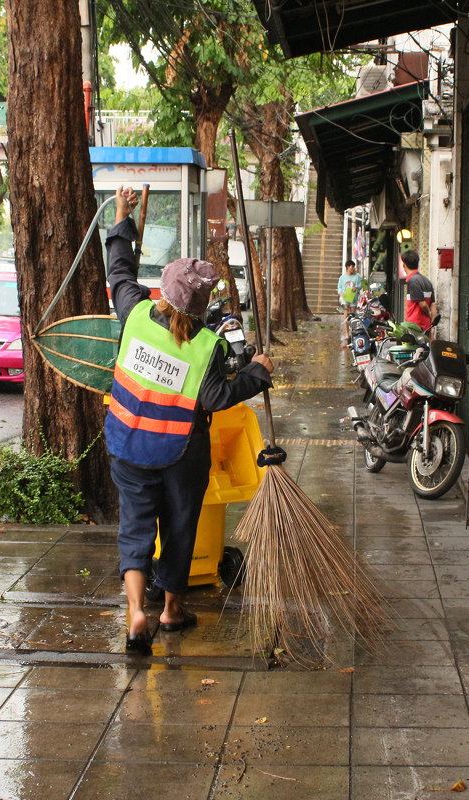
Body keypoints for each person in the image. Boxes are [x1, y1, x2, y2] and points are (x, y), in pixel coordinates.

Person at [104, 186, 275, 656]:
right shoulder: (208, 347)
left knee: (136, 528)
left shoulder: (135, 313)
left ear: (163, 289)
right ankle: (171, 611)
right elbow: (219, 395)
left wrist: (124, 214)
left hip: (128, 446)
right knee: (179, 528)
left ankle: (137, 611)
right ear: (201, 306)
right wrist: (259, 372)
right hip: (180, 454)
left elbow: (119, 269)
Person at [400, 250, 437, 332]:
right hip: (426, 326)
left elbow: (423, 304)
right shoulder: (427, 281)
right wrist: (432, 324)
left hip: (414, 327)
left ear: (404, 265)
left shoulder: (413, 281)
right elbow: (433, 304)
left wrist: (429, 314)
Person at [337, 260, 362, 345]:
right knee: (346, 313)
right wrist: (341, 292)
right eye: (352, 267)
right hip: (345, 298)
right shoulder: (342, 278)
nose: (353, 268)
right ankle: (347, 333)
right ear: (347, 267)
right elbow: (339, 288)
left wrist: (356, 287)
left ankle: (353, 332)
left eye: (353, 267)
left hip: (353, 298)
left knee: (353, 314)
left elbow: (360, 285)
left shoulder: (357, 277)